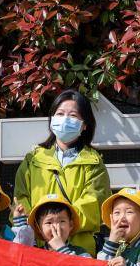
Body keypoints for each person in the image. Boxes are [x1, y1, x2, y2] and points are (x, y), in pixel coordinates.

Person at [13, 90, 111, 254]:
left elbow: (93, 206)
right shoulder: (33, 160)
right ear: (52, 120)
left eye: (73, 115)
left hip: (78, 252)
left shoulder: (94, 163)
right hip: (37, 249)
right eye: (60, 114)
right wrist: (42, 229)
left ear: (84, 125)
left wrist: (61, 226)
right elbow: (20, 200)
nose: (65, 119)